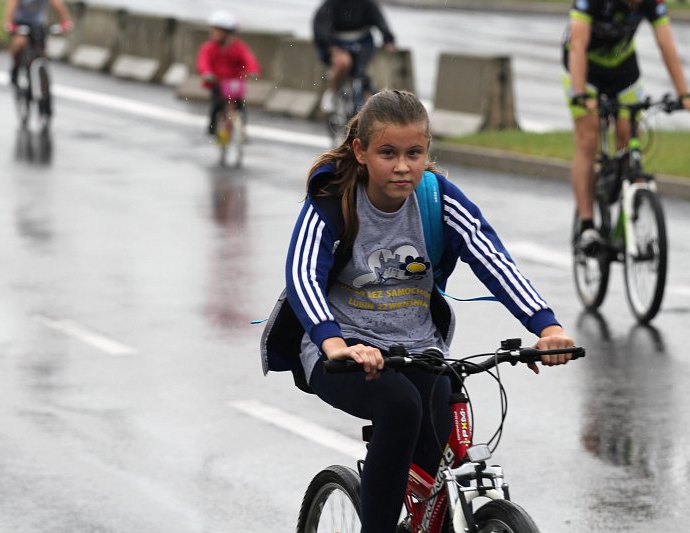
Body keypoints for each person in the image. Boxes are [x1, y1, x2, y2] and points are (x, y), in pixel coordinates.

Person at [260, 90, 577, 533]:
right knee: (400, 407)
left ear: (427, 151)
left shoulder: (437, 199)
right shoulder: (335, 199)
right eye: (388, 153)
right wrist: (335, 345)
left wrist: (548, 327)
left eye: (414, 153)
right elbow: (302, 276)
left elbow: (492, 259)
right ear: (361, 151)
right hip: (343, 352)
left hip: (420, 350)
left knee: (440, 451)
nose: (403, 166)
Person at [563, 0, 690, 251]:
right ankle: (587, 225)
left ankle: (627, 202)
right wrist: (580, 94)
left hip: (623, 68)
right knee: (588, 140)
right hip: (584, 68)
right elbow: (577, 44)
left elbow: (666, 43)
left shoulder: (651, 2)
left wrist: (683, 94)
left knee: (628, 135)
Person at [313, 0, 396, 114]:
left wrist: (388, 40)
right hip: (337, 43)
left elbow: (379, 20)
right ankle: (332, 92)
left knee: (361, 73)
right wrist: (330, 46)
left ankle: (367, 107)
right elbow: (321, 26)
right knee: (343, 62)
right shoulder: (331, 4)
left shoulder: (368, 3)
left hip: (362, 43)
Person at [196, 10, 261, 137]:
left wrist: (253, 70)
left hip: (234, 83)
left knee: (240, 106)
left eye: (217, 31)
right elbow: (203, 62)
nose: (213, 33)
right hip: (217, 81)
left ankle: (241, 128)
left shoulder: (238, 48)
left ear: (227, 33)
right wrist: (207, 73)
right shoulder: (209, 48)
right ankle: (213, 127)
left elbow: (249, 60)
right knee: (217, 104)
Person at [3, 0, 73, 86]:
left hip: (38, 25)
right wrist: (9, 22)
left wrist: (65, 21)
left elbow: (57, 4)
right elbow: (12, 6)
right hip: (20, 22)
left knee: (41, 51)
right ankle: (16, 69)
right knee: (19, 44)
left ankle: (41, 77)